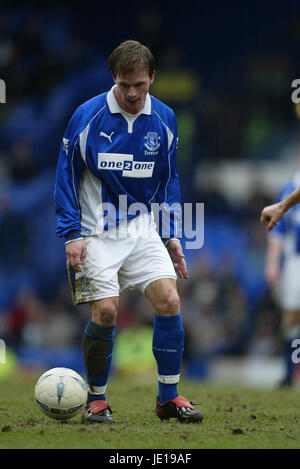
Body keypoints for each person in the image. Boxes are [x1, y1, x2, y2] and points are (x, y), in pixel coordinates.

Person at [54, 40, 203, 424]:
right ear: (113, 79)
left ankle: (168, 399)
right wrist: (71, 233)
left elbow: (170, 183)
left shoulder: (165, 118)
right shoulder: (88, 115)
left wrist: (173, 237)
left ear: (152, 77)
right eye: (124, 85)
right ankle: (97, 400)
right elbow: (65, 177)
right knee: (106, 310)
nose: (132, 93)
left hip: (142, 229)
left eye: (139, 84)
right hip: (94, 233)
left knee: (170, 300)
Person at [264, 173, 300, 386]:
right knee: (292, 316)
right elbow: (277, 232)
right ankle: (289, 371)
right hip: (295, 260)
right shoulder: (289, 188)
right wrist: (272, 263)